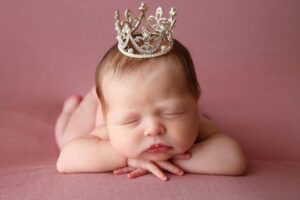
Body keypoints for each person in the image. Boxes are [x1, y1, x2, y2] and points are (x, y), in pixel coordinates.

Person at [55, 3, 247, 181]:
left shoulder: (198, 120)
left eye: (171, 113)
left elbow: (233, 159)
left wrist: (169, 159)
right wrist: (126, 157)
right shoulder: (109, 131)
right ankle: (72, 109)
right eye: (130, 121)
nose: (153, 129)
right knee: (68, 138)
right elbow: (66, 159)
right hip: (100, 105)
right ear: (110, 118)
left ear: (195, 101)